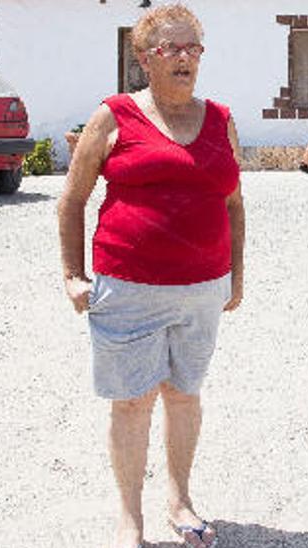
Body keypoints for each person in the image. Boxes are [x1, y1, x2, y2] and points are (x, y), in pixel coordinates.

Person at [56, 5, 243, 547]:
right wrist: (73, 274)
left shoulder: (221, 119)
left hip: (203, 289)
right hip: (128, 288)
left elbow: (234, 203)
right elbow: (72, 201)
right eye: (172, 49)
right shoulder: (113, 117)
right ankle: (129, 519)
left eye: (194, 49)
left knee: (185, 394)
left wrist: (237, 275)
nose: (186, 58)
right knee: (133, 401)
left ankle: (180, 500)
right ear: (145, 58)